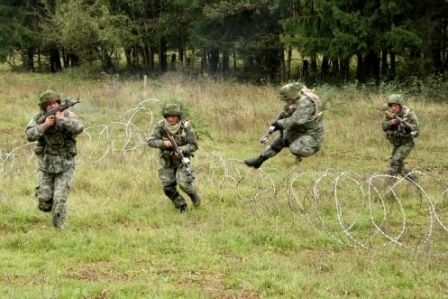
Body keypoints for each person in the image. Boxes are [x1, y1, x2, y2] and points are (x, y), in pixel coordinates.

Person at [25, 90, 84, 229]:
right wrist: (44, 125)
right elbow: (29, 134)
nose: (52, 106)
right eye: (49, 104)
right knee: (44, 203)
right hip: (46, 166)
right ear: (44, 107)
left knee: (59, 200)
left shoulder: (67, 115)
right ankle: (46, 203)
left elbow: (79, 128)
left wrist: (63, 120)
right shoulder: (39, 117)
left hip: (66, 164)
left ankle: (59, 230)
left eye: (55, 103)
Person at [244, 82, 324, 169]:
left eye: (287, 99)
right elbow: (284, 114)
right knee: (278, 142)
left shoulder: (306, 104)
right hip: (298, 131)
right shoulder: (293, 102)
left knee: (295, 148)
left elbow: (296, 120)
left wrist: (279, 124)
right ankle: (258, 161)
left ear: (292, 96)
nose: (285, 101)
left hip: (311, 135)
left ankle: (311, 148)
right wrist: (273, 126)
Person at [147, 103, 201, 213]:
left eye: (173, 116)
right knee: (168, 188)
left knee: (184, 184)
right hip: (167, 160)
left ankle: (193, 195)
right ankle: (181, 206)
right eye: (168, 116)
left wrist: (183, 150)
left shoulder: (186, 127)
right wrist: (164, 143)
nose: (170, 119)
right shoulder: (161, 126)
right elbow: (150, 141)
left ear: (178, 116)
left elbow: (194, 145)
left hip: (182, 160)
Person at [382, 94, 419, 182]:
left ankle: (388, 185)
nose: (393, 108)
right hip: (396, 143)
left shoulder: (409, 113)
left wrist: (406, 127)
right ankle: (414, 181)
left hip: (406, 143)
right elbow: (384, 127)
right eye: (391, 105)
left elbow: (416, 131)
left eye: (395, 105)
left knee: (394, 162)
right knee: (399, 168)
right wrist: (391, 122)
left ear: (400, 105)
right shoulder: (390, 114)